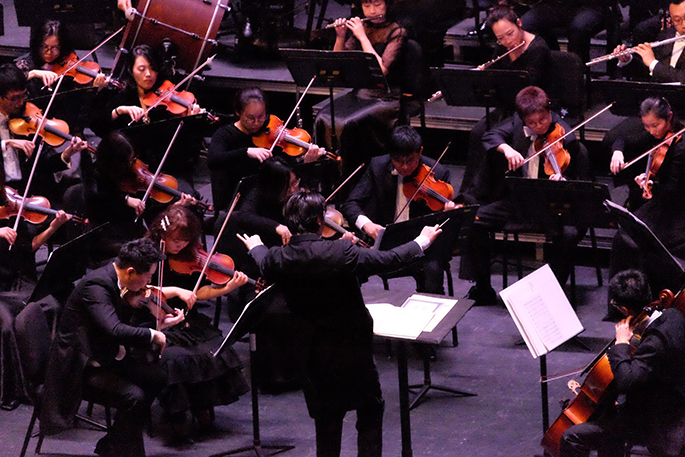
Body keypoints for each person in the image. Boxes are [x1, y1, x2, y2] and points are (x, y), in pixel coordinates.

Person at [238, 190, 442, 457]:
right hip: (352, 350)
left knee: (327, 421)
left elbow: (264, 260)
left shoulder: (279, 257)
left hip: (311, 354)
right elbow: (388, 260)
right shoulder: (342, 251)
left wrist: (255, 245)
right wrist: (421, 241)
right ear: (319, 220)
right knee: (370, 408)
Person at [40, 237, 185, 457]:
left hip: (106, 354)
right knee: (134, 397)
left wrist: (160, 325)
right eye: (148, 276)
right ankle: (126, 451)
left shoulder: (118, 280)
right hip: (80, 366)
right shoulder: (96, 287)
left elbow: (121, 327)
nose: (149, 282)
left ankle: (112, 444)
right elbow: (115, 329)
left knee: (157, 377)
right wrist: (152, 334)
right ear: (130, 272)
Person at [459, 86, 590, 305]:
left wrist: (562, 183)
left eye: (543, 119)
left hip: (550, 206)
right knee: (473, 221)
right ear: (523, 119)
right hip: (517, 201)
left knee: (568, 234)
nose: (539, 126)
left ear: (549, 110)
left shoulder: (566, 137)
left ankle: (553, 294)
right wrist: (507, 149)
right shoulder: (517, 124)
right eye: (532, 123)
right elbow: (490, 135)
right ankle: (483, 288)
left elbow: (579, 185)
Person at [146, 205, 250, 438]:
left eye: (185, 240)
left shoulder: (190, 253)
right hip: (154, 319)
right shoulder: (147, 253)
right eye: (176, 240)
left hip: (186, 319)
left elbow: (199, 293)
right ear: (162, 233)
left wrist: (228, 288)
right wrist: (173, 293)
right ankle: (178, 414)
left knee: (213, 351)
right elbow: (140, 289)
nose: (181, 246)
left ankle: (201, 404)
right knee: (175, 359)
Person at [559, 269, 685, 457]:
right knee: (607, 413)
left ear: (624, 309)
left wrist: (621, 344)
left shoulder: (654, 343)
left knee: (572, 436)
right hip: (671, 397)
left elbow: (627, 382)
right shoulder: (674, 315)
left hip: (654, 419)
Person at [341, 124, 457, 294]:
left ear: (420, 152)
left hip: (422, 244)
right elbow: (350, 203)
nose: (404, 167)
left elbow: (443, 224)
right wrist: (367, 225)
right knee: (348, 267)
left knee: (433, 270)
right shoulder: (377, 166)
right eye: (397, 161)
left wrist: (447, 213)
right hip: (385, 243)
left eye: (410, 160)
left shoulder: (438, 173)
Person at [458, 1, 551, 205]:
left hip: (529, 109)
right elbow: (495, 77)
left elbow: (530, 89)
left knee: (499, 135)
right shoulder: (502, 48)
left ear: (519, 24)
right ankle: (468, 195)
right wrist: (480, 77)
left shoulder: (538, 49)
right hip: (507, 105)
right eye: (500, 38)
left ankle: (492, 195)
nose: (507, 41)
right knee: (478, 132)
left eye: (510, 34)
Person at [314, 0, 408, 177]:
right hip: (360, 93)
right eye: (366, 5)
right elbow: (338, 63)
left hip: (385, 97)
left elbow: (381, 69)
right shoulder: (363, 27)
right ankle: (330, 178)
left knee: (349, 124)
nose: (372, 11)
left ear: (387, 5)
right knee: (323, 117)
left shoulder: (398, 32)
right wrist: (341, 36)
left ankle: (353, 177)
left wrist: (362, 37)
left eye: (377, 4)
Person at [609, 97, 685, 298]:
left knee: (635, 241)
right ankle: (621, 300)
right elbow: (622, 139)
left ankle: (643, 297)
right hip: (660, 203)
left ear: (669, 117)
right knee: (622, 236)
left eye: (655, 125)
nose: (651, 131)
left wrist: (651, 183)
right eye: (646, 126)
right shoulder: (657, 136)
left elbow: (673, 190)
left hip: (677, 211)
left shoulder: (681, 147)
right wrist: (618, 152)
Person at [207, 87, 324, 211]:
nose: (257, 122)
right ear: (238, 112)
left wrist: (307, 163)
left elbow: (288, 171)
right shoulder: (225, 134)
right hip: (237, 205)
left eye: (261, 116)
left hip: (270, 202)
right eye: (250, 117)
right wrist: (247, 152)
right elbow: (213, 160)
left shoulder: (271, 132)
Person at [0, 63, 87, 201]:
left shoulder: (27, 120)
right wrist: (6, 143)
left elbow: (42, 166)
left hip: (26, 194)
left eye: (23, 96)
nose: (20, 103)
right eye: (14, 98)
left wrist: (67, 153)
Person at [15, 19, 107, 94]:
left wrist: (94, 90)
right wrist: (33, 74)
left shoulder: (67, 57)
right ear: (37, 45)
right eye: (44, 46)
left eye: (55, 48)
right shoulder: (27, 64)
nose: (49, 52)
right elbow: (10, 83)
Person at [520, 0, 616, 64]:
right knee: (526, 24)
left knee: (579, 28)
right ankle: (553, 64)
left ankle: (576, 75)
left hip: (590, 5)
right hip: (556, 5)